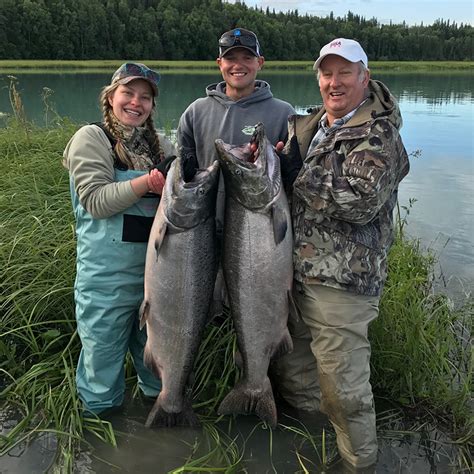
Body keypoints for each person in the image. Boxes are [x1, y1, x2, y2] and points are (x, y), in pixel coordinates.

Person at [273, 38, 410, 471]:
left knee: (344, 390)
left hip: (343, 283)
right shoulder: (312, 126)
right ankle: (316, 444)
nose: (334, 83)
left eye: (344, 73)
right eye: (326, 73)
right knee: (296, 375)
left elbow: (363, 200)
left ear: (364, 78)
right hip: (293, 275)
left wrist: (297, 176)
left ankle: (358, 463)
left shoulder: (379, 133)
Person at [63, 62, 177, 416]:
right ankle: (100, 439)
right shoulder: (91, 138)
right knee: (101, 371)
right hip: (105, 281)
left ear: (152, 106)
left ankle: (157, 427)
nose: (136, 103)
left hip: (155, 283)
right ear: (111, 97)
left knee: (158, 369)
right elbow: (96, 201)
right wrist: (148, 183)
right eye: (128, 93)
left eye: (145, 97)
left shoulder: (162, 145)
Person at [177, 27, 295, 316]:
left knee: (252, 314)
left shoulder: (284, 113)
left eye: (247, 57)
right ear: (220, 64)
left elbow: (295, 179)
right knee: (203, 313)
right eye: (230, 58)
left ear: (260, 62)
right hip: (200, 235)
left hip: (258, 239)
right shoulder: (195, 111)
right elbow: (181, 170)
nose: (238, 65)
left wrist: (282, 161)